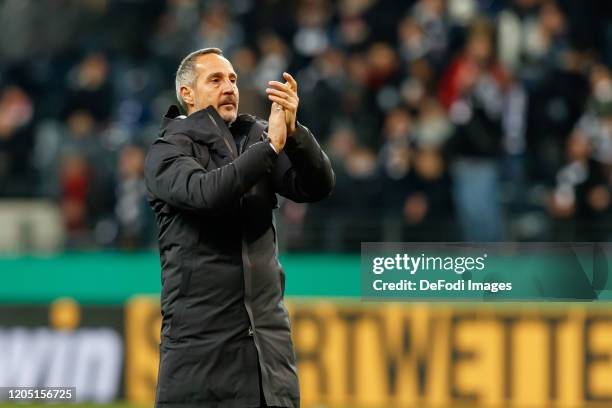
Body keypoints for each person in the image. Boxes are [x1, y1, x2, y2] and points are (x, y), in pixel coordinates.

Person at [144, 47, 334, 408]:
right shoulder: (167, 152)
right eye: (215, 80)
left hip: (268, 357)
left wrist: (294, 133)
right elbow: (208, 194)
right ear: (187, 94)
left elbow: (317, 186)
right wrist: (271, 148)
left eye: (232, 78)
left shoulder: (257, 137)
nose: (229, 86)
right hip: (200, 359)